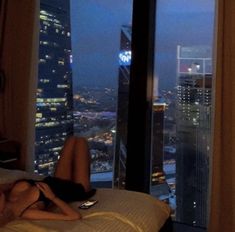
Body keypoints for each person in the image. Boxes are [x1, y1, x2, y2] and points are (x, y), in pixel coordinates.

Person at [0, 136, 96, 225]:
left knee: (72, 140)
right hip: (75, 189)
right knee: (81, 142)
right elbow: (74, 216)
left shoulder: (6, 194)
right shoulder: (26, 212)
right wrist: (53, 197)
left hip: (56, 180)